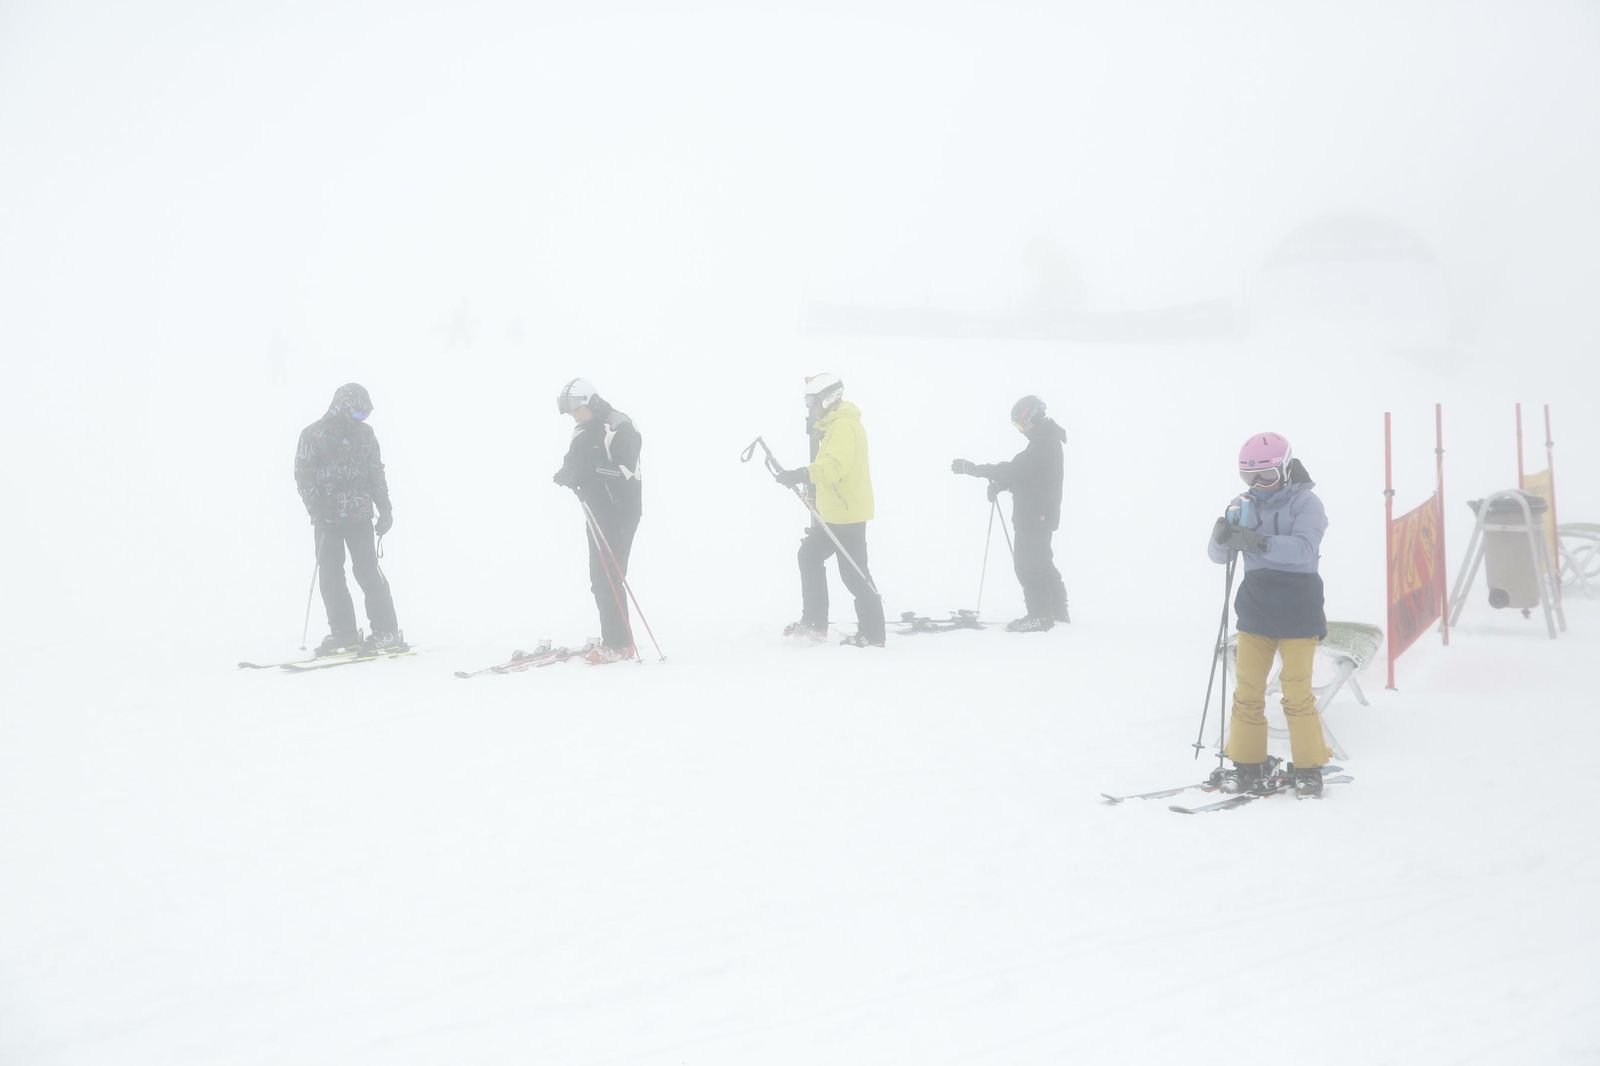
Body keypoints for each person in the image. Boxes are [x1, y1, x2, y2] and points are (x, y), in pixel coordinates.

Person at [1207, 431, 1333, 798]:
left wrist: (1259, 542)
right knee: (1247, 690)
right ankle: (1247, 763)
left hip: (1298, 605)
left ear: (1286, 468)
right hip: (1257, 606)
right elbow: (1219, 558)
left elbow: (1305, 549)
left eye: (1266, 476)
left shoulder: (1307, 504)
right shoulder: (1243, 503)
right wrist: (1222, 537)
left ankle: (1309, 767)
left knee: (1296, 692)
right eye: (1250, 478)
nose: (1259, 485)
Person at [774, 373, 886, 647]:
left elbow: (835, 467)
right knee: (809, 555)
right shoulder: (832, 426)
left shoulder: (844, 427)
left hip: (848, 515)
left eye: (811, 402)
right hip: (834, 514)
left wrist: (802, 474)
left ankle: (873, 634)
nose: (809, 408)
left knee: (855, 574)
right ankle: (814, 622)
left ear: (827, 399)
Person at [294, 382, 404, 655]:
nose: (361, 420)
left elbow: (375, 472)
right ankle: (343, 633)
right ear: (342, 408)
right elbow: (303, 474)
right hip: (326, 519)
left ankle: (386, 632)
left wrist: (385, 507)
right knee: (331, 576)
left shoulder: (365, 435)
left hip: (359, 517)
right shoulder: (313, 435)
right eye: (357, 414)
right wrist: (315, 509)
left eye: (364, 415)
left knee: (367, 572)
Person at [951, 395, 1069, 631]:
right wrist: (1001, 485)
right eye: (1017, 426)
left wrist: (972, 469)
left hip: (1035, 515)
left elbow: (1015, 470)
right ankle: (1057, 611)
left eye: (1022, 424)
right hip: (1039, 513)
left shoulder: (1043, 444)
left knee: (1028, 565)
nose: (1021, 430)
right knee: (1042, 561)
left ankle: (1040, 616)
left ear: (1034, 417)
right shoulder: (1044, 441)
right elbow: (1029, 476)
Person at [552, 378, 643, 664]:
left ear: (590, 402)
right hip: (596, 509)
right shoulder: (582, 429)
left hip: (621, 509)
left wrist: (588, 473)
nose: (572, 416)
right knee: (599, 577)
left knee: (609, 575)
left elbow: (625, 470)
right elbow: (575, 461)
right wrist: (567, 473)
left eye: (575, 409)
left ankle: (618, 644)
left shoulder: (618, 425)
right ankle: (618, 641)